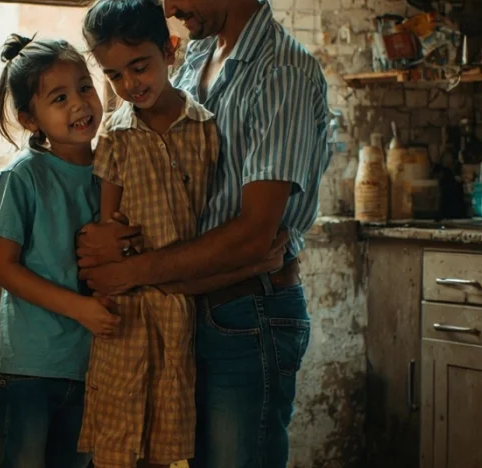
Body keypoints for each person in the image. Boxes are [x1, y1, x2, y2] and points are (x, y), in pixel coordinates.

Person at [75, 0, 332, 466]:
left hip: (248, 312)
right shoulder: (199, 56)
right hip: (186, 311)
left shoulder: (282, 73)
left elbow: (255, 236)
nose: (170, 6)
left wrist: (130, 272)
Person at [0, 33, 121, 468]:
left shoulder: (112, 171)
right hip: (33, 363)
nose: (80, 104)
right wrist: (79, 309)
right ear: (30, 119)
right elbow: (2, 269)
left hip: (90, 365)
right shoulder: (24, 177)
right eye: (59, 98)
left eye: (85, 87)